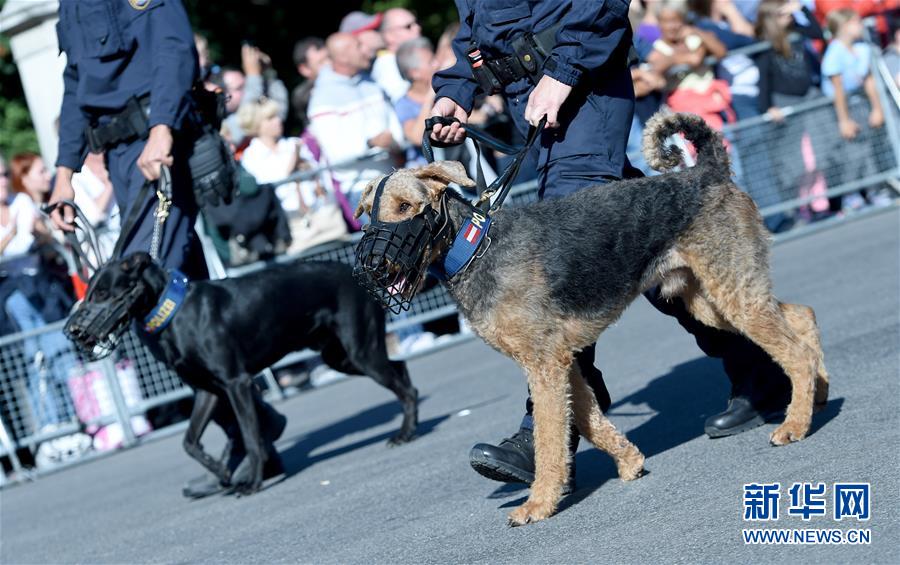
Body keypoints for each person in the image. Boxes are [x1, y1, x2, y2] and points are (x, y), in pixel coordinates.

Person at [431, 0, 791, 490]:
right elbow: (480, 24)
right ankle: (759, 368)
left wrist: (562, 72)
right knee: (648, 245)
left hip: (584, 83)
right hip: (532, 97)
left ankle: (546, 429)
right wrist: (456, 89)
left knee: (567, 246)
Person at [46, 0, 285, 498]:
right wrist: (64, 175)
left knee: (146, 297)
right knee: (190, 301)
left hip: (163, 144)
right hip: (118, 154)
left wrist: (160, 130)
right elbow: (75, 89)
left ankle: (253, 431)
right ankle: (255, 429)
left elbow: (174, 52)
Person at [307, 32, 405, 215]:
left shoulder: (371, 84)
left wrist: (394, 141)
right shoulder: (321, 99)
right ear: (343, 56)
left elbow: (393, 126)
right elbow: (336, 155)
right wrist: (370, 143)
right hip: (363, 189)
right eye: (358, 46)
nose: (365, 51)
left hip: (395, 177)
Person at [821, 8, 891, 211]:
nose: (861, 26)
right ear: (844, 26)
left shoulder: (861, 49)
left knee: (869, 148)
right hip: (838, 109)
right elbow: (838, 90)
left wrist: (877, 108)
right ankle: (851, 196)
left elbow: (869, 80)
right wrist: (844, 120)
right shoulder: (835, 52)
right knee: (850, 153)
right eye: (857, 23)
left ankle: (873, 190)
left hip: (859, 104)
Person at [220, 45, 290, 146]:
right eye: (239, 88)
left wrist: (267, 72)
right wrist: (253, 76)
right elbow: (246, 119)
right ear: (222, 93)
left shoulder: (260, 114)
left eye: (246, 86)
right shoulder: (224, 126)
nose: (246, 91)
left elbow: (279, 109)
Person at [372, 8, 423, 103]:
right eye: (408, 26)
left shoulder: (405, 58)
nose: (417, 28)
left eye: (417, 23)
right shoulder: (386, 64)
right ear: (389, 35)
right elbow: (405, 103)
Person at [290, 37, 330, 129]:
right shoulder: (304, 96)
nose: (329, 65)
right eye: (321, 62)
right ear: (305, 69)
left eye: (329, 58)